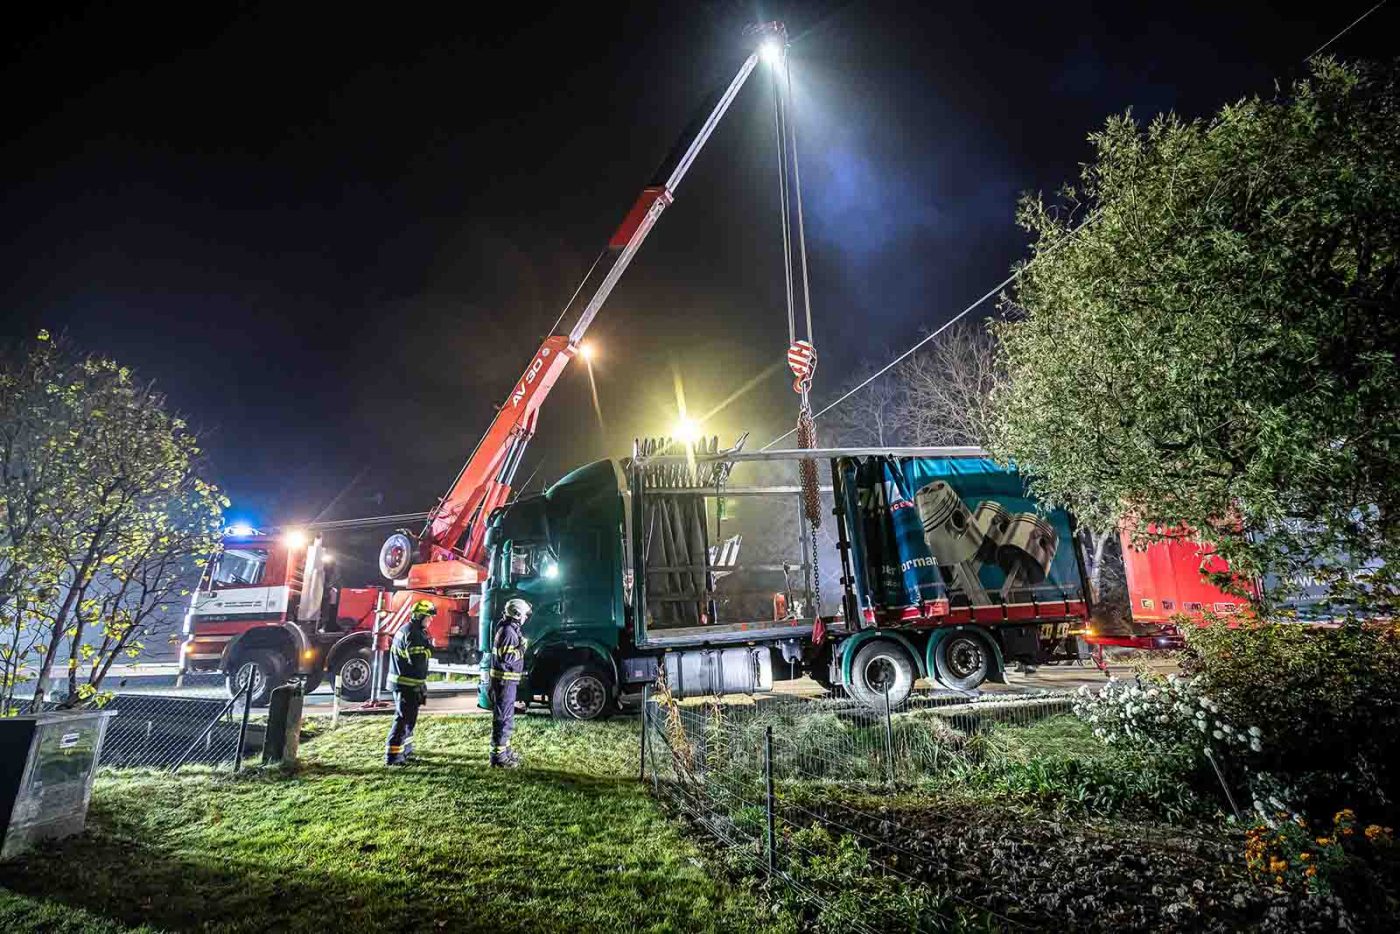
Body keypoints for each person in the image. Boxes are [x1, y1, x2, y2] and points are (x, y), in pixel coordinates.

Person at [384, 599, 434, 766]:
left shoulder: (409, 630)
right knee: (403, 719)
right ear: (419, 616)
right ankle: (394, 756)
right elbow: (417, 660)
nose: (430, 620)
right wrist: (428, 649)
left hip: (408, 683)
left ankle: (405, 751)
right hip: (406, 684)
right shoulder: (414, 634)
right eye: (428, 616)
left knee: (408, 719)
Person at [488, 597, 531, 768]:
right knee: (503, 719)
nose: (526, 617)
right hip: (504, 683)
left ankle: (504, 752)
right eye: (525, 614)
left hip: (506, 683)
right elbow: (508, 658)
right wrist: (522, 649)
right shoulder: (508, 632)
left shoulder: (508, 628)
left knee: (506, 719)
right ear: (517, 613)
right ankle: (499, 758)